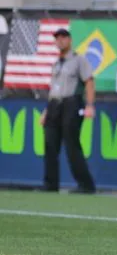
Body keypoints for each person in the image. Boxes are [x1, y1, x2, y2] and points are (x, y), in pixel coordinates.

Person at [39, 28, 96, 194]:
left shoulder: (79, 60)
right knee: (50, 143)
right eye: (57, 38)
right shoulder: (56, 64)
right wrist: (46, 111)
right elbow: (54, 89)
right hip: (54, 105)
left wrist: (90, 105)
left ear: (69, 40)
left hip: (72, 103)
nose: (60, 41)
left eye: (63, 37)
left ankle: (86, 185)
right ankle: (50, 184)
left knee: (72, 145)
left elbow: (89, 82)